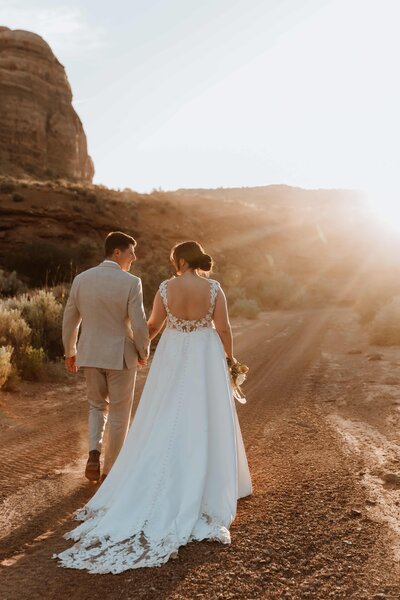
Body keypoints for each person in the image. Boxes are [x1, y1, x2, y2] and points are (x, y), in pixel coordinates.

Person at [56, 241, 252, 573]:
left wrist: (141, 348)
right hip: (206, 355)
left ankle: (146, 468)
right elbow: (223, 328)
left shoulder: (165, 287)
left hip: (173, 355)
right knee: (205, 414)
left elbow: (151, 326)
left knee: (163, 414)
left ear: (178, 260)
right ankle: (209, 477)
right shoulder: (214, 288)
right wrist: (230, 359)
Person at [62, 231, 149, 482]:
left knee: (95, 406)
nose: (134, 257)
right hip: (121, 356)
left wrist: (71, 351)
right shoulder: (131, 282)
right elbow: (139, 324)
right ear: (117, 252)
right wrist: (143, 352)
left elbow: (70, 319)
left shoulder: (81, 279)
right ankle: (111, 470)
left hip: (89, 354)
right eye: (131, 251)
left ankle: (93, 453)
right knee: (120, 412)